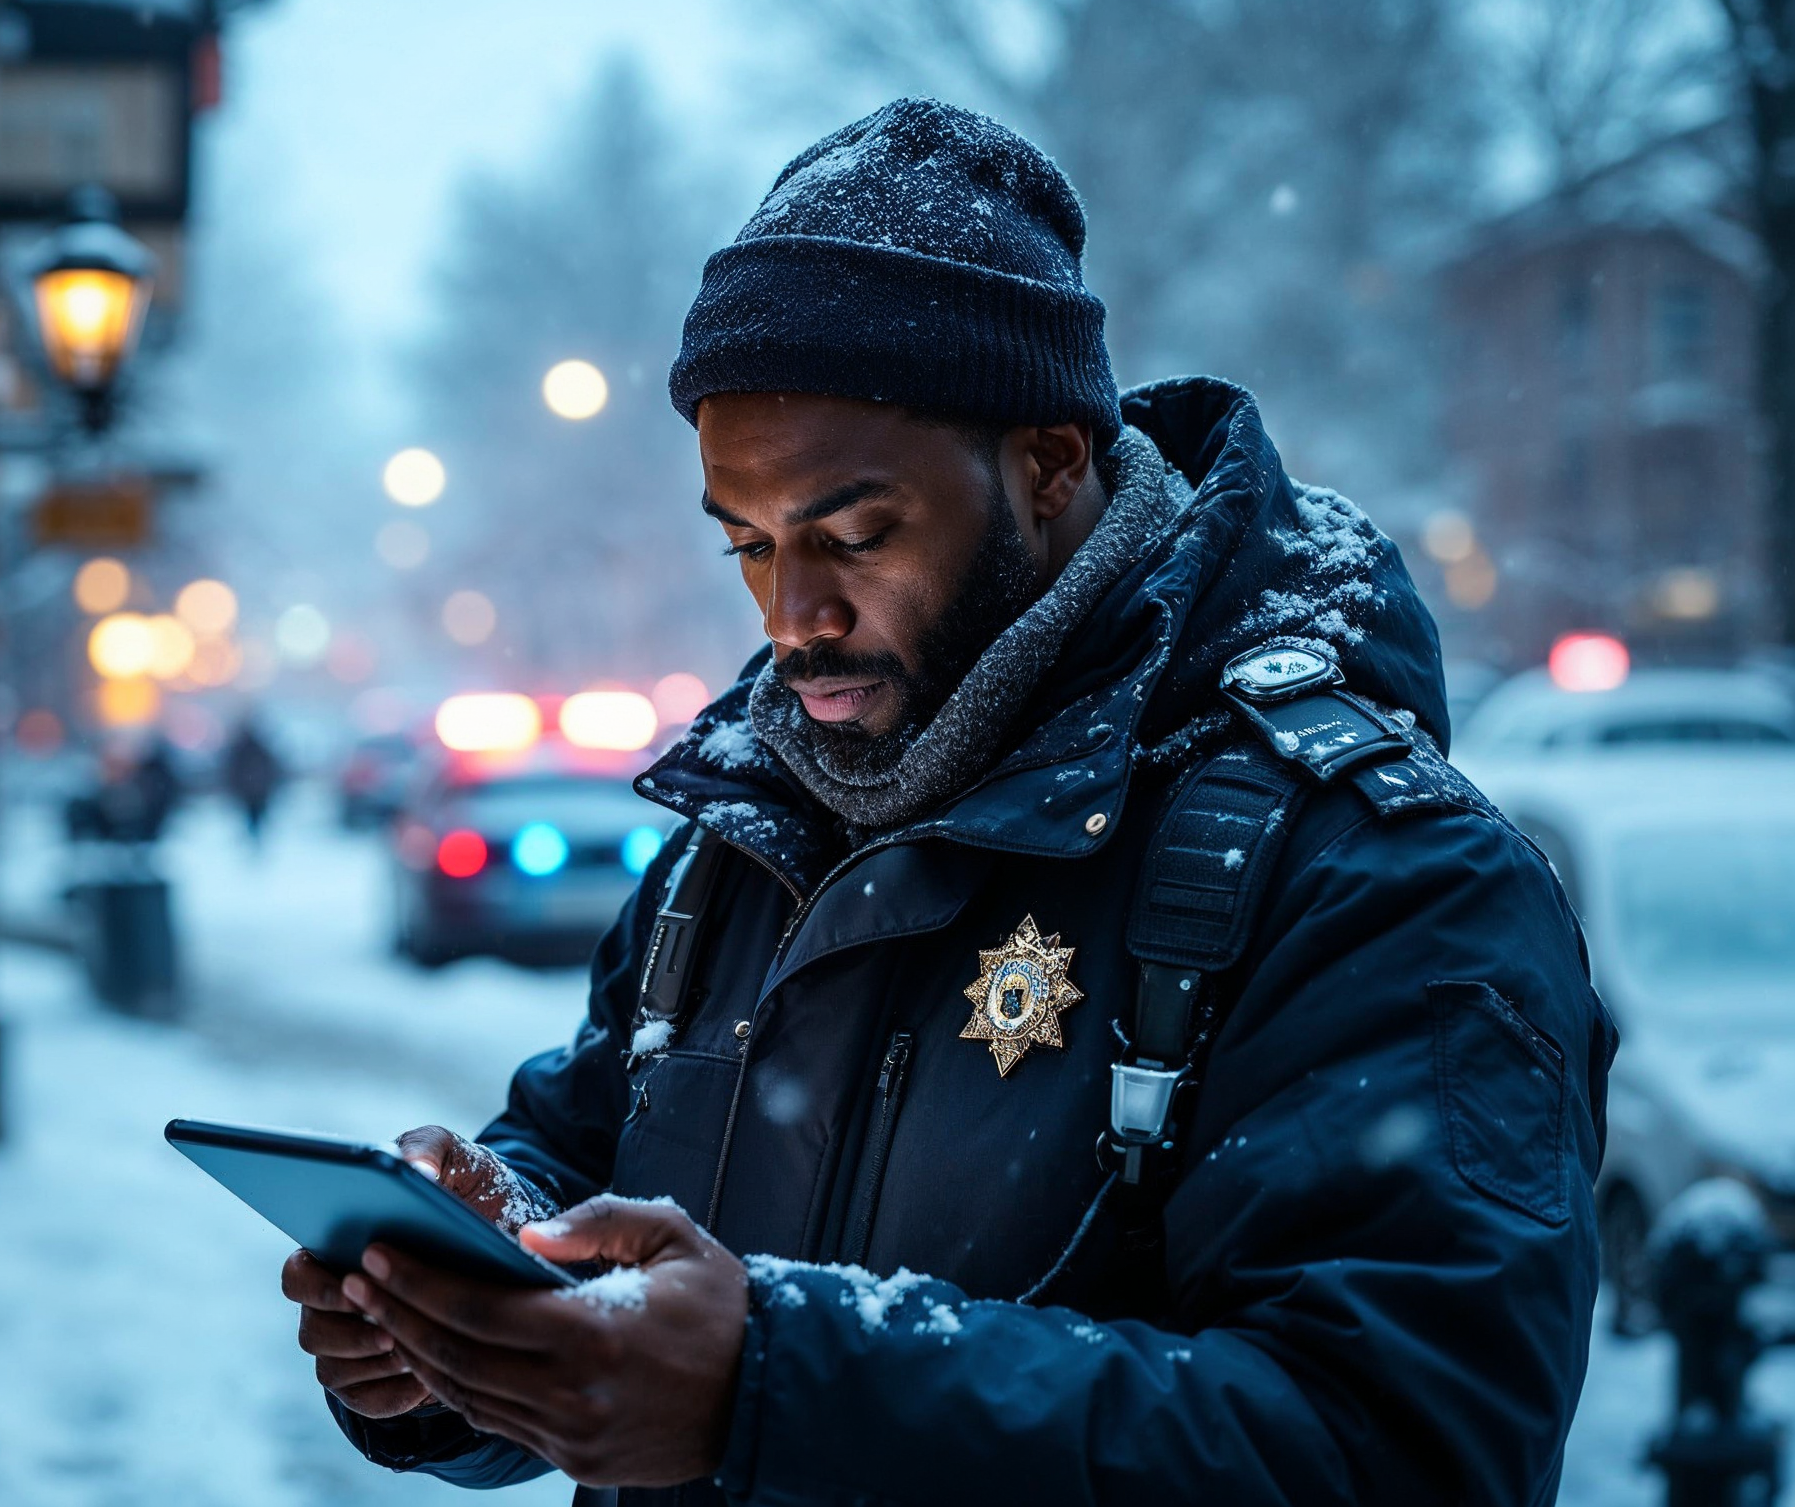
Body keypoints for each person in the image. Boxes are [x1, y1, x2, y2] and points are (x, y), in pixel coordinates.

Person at [281, 99, 1612, 1504]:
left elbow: (1400, 1451)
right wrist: (482, 1287)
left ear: (1048, 467)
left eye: (855, 535)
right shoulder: (749, 832)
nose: (793, 617)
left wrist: (770, 1393)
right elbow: (583, 1141)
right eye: (747, 544)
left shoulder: (1378, 876)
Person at [221, 715, 285, 845]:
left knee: (252, 815)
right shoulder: (260, 748)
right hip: (258, 789)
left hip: (250, 789)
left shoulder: (241, 749)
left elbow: (232, 769)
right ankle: (255, 836)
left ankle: (253, 836)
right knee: (256, 815)